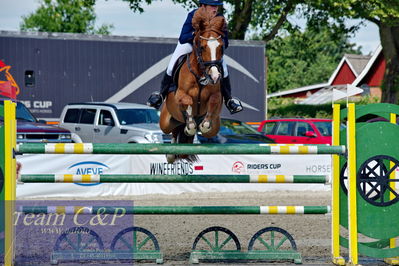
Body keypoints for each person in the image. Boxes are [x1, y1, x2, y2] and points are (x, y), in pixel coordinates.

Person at [147, 0, 243, 114]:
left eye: (217, 6)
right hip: (189, 45)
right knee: (172, 65)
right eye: (212, 6)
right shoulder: (193, 15)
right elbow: (183, 37)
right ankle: (161, 95)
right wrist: (197, 35)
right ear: (203, 6)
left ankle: (229, 100)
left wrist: (217, 42)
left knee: (224, 68)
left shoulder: (220, 18)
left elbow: (225, 41)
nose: (215, 9)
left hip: (209, 49)